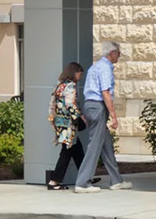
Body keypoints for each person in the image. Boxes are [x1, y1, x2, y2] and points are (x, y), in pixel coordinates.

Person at [72, 41, 130, 192]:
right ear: (111, 53)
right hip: (98, 107)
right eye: (118, 52)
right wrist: (114, 116)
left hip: (91, 106)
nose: (119, 55)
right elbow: (105, 92)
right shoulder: (104, 69)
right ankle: (82, 182)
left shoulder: (96, 66)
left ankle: (116, 180)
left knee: (106, 144)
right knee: (95, 145)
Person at [45, 61, 85, 189]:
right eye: (80, 73)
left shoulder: (59, 86)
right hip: (69, 125)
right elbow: (70, 104)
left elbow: (52, 105)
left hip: (60, 124)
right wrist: (79, 118)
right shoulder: (70, 87)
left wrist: (52, 120)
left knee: (77, 150)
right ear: (74, 73)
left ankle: (85, 176)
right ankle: (54, 181)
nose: (80, 77)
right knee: (66, 153)